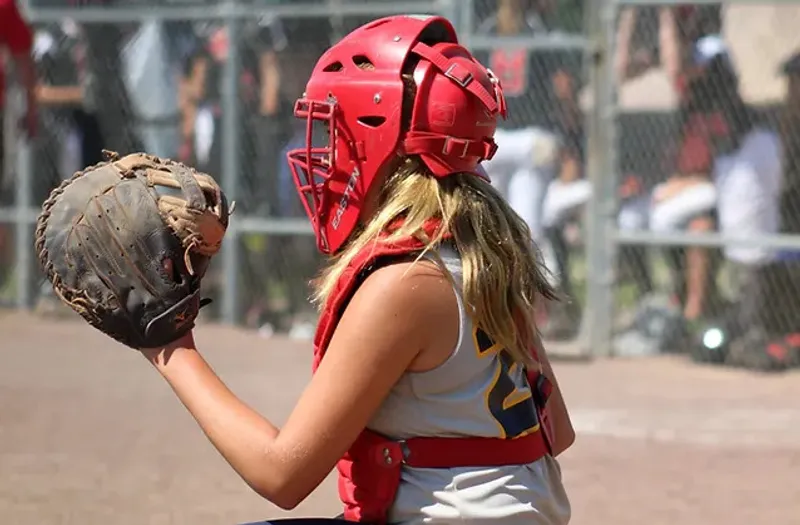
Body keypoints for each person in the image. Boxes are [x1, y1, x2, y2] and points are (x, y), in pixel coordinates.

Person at [141, 14, 574, 525]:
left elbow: (281, 475)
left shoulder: (407, 282)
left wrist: (168, 346)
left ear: (380, 141)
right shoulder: (486, 255)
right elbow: (557, 431)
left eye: (335, 129)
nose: (324, 152)